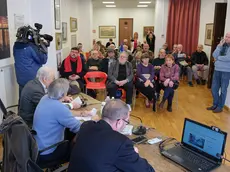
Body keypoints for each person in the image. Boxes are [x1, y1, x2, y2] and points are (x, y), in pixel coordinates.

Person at [68, 99, 155, 172]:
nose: (126, 124)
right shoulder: (121, 143)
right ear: (119, 122)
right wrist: (133, 154)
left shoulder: (86, 125)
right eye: (127, 122)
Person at [33, 78, 93, 167]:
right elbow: (79, 128)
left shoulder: (45, 98)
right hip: (48, 153)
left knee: (69, 133)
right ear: (63, 94)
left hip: (37, 148)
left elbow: (57, 110)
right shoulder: (59, 108)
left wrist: (72, 108)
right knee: (83, 140)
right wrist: (93, 120)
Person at [13, 33, 48, 101]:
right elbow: (43, 60)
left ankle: (21, 111)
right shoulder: (31, 47)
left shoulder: (15, 46)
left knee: (22, 98)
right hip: (33, 79)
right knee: (36, 100)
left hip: (21, 78)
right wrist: (44, 46)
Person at [207, 32, 230, 113]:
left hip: (226, 71)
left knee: (223, 90)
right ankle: (215, 104)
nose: (226, 38)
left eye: (229, 37)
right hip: (217, 69)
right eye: (226, 36)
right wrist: (219, 46)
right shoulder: (221, 45)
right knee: (214, 89)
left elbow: (228, 58)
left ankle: (220, 106)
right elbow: (214, 54)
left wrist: (218, 58)